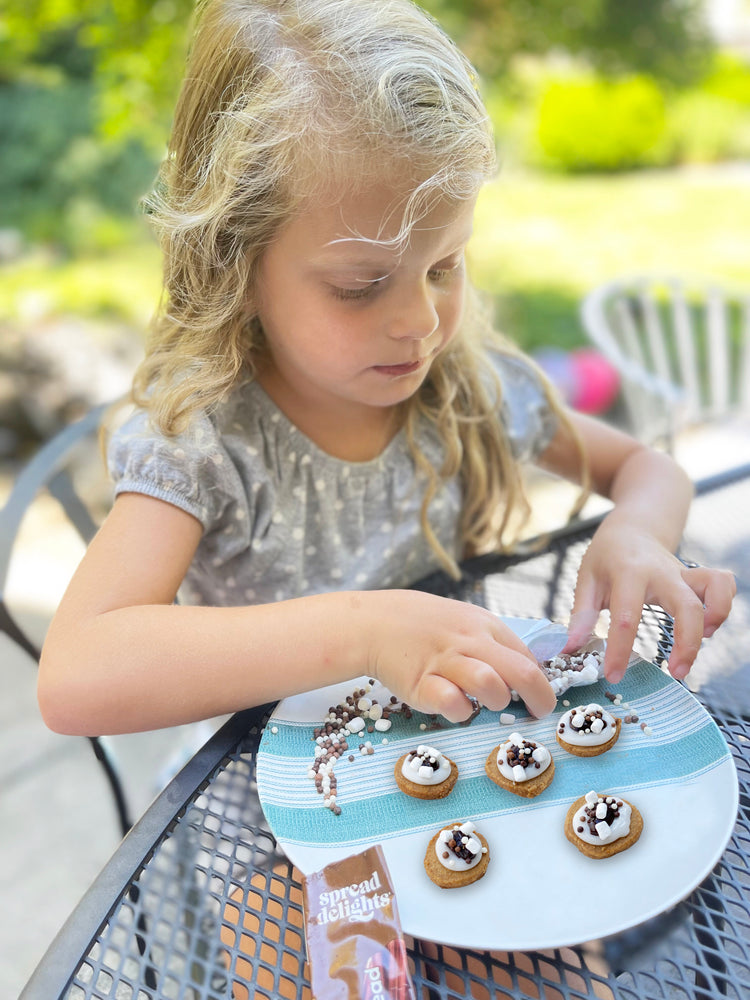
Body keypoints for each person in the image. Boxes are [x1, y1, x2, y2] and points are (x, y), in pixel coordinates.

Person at [38, 0, 735, 743]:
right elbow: (76, 678)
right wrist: (366, 632)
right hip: (270, 810)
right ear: (234, 264)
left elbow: (649, 469)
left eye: (443, 266)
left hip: (448, 758)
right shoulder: (206, 441)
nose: (422, 323)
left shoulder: (462, 389)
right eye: (359, 286)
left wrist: (636, 533)